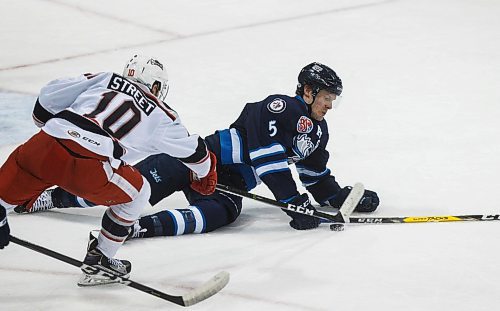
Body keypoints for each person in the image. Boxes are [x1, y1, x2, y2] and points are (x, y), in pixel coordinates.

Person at [15, 62, 379, 239]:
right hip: (201, 160)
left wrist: (336, 196)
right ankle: (50, 199)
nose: (330, 105)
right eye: (327, 97)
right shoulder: (278, 107)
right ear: (308, 91)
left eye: (334, 99)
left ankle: (141, 228)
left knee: (221, 215)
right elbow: (267, 158)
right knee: (133, 186)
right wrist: (290, 199)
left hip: (232, 184)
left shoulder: (317, 132)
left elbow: (315, 173)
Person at [0, 55, 217, 284]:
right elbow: (196, 152)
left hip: (44, 145)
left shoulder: (105, 78)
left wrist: (54, 129)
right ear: (155, 86)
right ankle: (101, 258)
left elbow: (46, 100)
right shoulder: (161, 114)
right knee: (139, 191)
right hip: (90, 165)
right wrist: (205, 174)